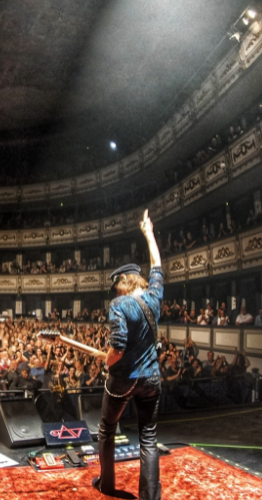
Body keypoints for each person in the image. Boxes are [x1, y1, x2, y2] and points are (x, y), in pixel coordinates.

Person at [95, 210, 164, 500]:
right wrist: (149, 233)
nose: (115, 290)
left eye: (116, 284)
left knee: (107, 428)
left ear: (124, 279)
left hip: (124, 379)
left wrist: (106, 360)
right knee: (148, 438)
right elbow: (157, 265)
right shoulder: (155, 295)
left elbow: (118, 348)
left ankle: (107, 485)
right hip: (151, 379)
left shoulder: (119, 305)